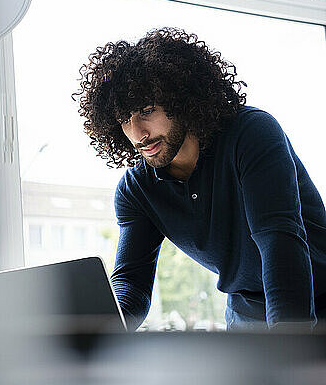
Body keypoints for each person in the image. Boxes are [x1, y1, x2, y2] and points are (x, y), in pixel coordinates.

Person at [72, 27, 326, 331]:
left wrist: (290, 346)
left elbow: (279, 241)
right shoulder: (136, 190)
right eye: (125, 119)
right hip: (247, 315)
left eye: (147, 111)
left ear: (182, 101)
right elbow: (131, 282)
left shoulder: (251, 134)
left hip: (310, 298)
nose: (137, 133)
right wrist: (103, 333)